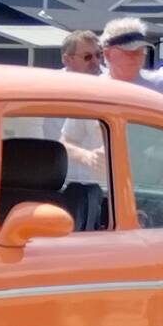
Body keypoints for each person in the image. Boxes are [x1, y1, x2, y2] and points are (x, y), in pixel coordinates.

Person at [55, 29, 110, 229]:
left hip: (101, 187)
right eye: (87, 57)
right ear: (67, 59)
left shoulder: (109, 87)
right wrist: (84, 156)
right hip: (55, 183)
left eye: (99, 55)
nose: (96, 62)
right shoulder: (47, 88)